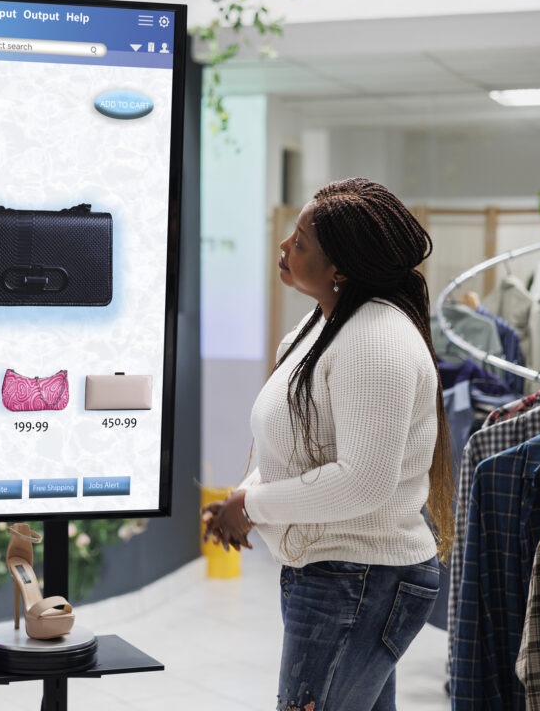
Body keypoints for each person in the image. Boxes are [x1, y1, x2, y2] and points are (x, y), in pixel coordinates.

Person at [202, 178, 453, 711]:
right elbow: (294, 445)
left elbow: (362, 482)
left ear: (341, 267)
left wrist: (251, 505)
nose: (284, 246)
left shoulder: (376, 340)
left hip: (359, 578)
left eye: (300, 241)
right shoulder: (322, 325)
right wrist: (244, 500)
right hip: (339, 575)